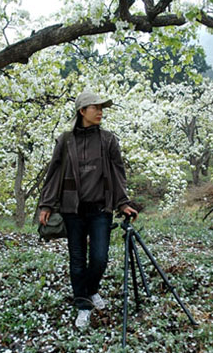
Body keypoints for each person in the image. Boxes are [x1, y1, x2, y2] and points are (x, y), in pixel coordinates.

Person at [38, 89, 138, 329]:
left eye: (102, 107)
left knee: (100, 258)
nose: (100, 111)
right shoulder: (65, 140)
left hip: (100, 209)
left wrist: (123, 202)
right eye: (95, 107)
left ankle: (90, 290)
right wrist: (47, 204)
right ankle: (83, 306)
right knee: (77, 260)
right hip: (73, 210)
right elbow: (53, 174)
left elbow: (118, 173)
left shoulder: (108, 140)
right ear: (82, 111)